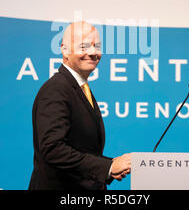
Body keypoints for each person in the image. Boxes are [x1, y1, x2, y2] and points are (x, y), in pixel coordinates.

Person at [29, 21, 131, 190]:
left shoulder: (80, 88)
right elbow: (53, 150)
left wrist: (110, 165)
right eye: (84, 46)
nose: (93, 52)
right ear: (65, 50)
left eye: (97, 46)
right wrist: (108, 167)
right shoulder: (56, 89)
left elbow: (81, 148)